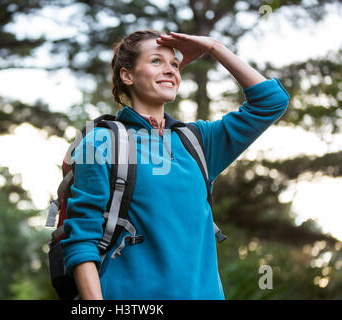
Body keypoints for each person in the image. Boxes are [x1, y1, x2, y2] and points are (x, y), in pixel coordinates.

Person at [60, 30, 290, 300]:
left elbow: (271, 102)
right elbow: (81, 241)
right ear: (128, 75)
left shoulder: (199, 142)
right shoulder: (100, 143)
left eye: (174, 64)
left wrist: (215, 48)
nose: (170, 70)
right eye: (156, 61)